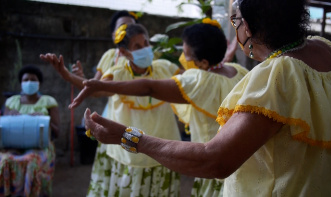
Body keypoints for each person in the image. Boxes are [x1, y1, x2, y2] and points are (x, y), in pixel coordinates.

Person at [79, 0, 331, 196]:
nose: (236, 27)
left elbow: (215, 160)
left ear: (255, 27)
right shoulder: (329, 53)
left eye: (237, 20)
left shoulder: (277, 74)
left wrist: (127, 136)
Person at [70, 22, 248, 196]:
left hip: (212, 164)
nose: (183, 60)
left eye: (186, 55)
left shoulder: (197, 81)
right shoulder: (238, 71)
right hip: (240, 157)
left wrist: (102, 85)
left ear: (202, 63)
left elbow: (149, 87)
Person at [42, 23, 182, 196]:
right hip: (130, 152)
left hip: (162, 147)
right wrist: (66, 74)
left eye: (146, 43)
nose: (145, 49)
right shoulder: (118, 73)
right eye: (137, 46)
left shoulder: (165, 67)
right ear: (123, 53)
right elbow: (96, 88)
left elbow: (193, 82)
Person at [0, 65, 60, 196]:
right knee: (4, 160)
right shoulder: (11, 102)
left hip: (40, 146)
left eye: (33, 80)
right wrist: (9, 117)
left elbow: (57, 131)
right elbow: (2, 127)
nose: (29, 82)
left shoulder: (48, 101)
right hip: (12, 145)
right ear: (21, 83)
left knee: (32, 161)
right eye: (26, 80)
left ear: (39, 83)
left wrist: (44, 120)